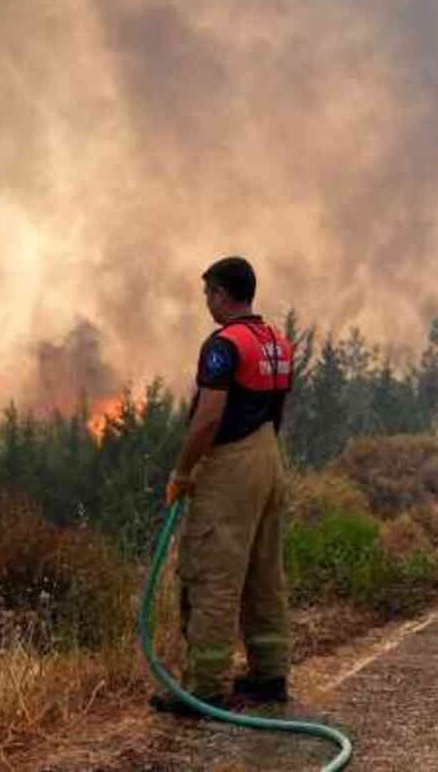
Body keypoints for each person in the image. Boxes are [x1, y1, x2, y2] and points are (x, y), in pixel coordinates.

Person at [151, 256, 295, 718]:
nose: (207, 303)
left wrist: (182, 472)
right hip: (270, 459)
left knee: (213, 574)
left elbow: (208, 418)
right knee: (263, 571)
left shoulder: (223, 346)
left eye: (208, 294)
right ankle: (270, 675)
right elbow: (277, 409)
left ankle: (204, 689)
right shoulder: (277, 342)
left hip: (231, 464)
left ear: (221, 294)